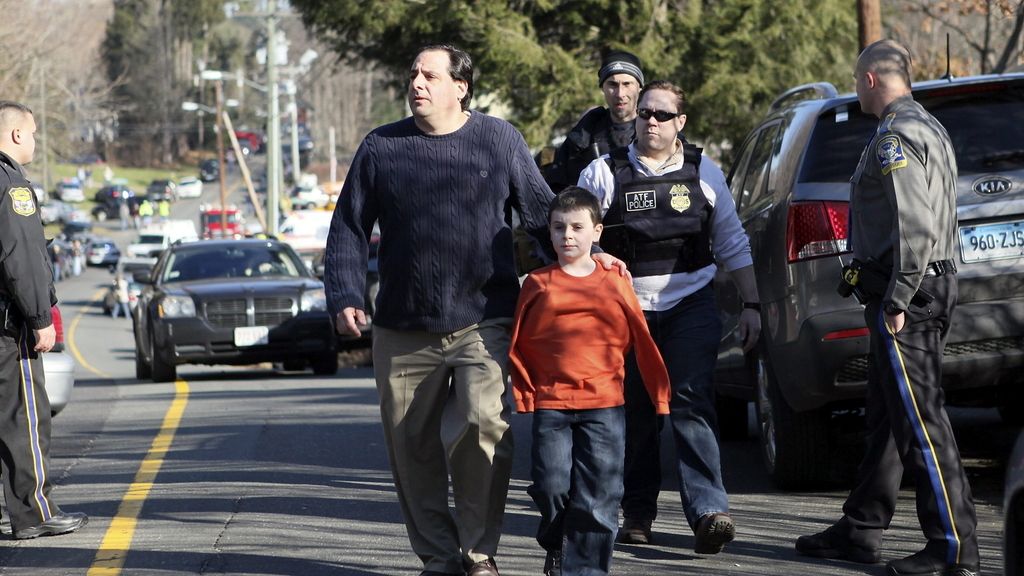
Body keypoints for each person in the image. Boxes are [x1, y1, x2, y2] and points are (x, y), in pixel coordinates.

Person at [324, 44, 625, 576]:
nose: (417, 83)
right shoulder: (381, 147)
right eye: (413, 74)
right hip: (402, 324)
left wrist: (593, 261)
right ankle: (438, 558)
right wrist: (346, 295)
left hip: (483, 317)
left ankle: (479, 552)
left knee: (485, 428)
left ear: (460, 87)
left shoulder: (498, 139)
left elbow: (540, 213)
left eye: (429, 75)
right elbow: (349, 226)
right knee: (410, 449)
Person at [795, 39, 979, 576]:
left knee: (922, 423)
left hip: (909, 297)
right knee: (886, 417)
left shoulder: (895, 137)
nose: (857, 91)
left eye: (857, 82)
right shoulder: (930, 126)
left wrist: (899, 297)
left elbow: (914, 226)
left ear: (870, 80)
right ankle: (860, 529)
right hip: (929, 287)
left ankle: (953, 547)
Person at [577, 80, 761, 554]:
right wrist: (597, 256)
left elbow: (732, 242)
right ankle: (637, 514)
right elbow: (574, 236)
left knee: (692, 402)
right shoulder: (603, 173)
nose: (650, 122)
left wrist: (753, 305)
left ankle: (709, 512)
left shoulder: (704, 173)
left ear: (680, 122)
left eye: (661, 115)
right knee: (636, 415)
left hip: (690, 305)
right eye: (644, 114)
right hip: (627, 313)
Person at [509, 187, 671, 576]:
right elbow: (518, 345)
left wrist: (659, 395)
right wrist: (525, 394)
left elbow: (642, 341)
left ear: (596, 232)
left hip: (604, 403)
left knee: (600, 496)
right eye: (559, 227)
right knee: (551, 486)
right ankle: (558, 540)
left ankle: (585, 570)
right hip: (552, 402)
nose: (567, 235)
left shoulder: (615, 281)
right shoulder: (537, 283)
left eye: (577, 227)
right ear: (548, 232)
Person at [0, 100, 88, 539]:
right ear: (16, 134)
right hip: (8, 328)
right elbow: (22, 260)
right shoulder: (11, 185)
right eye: (33, 133)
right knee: (25, 419)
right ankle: (35, 512)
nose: (35, 140)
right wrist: (39, 317)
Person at [543, 50, 645, 192]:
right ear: (602, 87)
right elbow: (557, 186)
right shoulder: (583, 135)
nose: (620, 94)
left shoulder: (656, 127)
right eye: (612, 85)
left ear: (639, 87)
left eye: (627, 84)